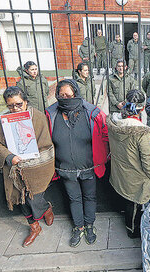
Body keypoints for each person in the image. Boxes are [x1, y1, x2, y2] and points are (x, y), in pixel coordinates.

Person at [45, 79, 109, 248]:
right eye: (61, 95)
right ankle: (78, 226)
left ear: (76, 93)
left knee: (90, 197)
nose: (65, 98)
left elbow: (104, 135)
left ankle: (89, 225)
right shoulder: (51, 114)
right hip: (66, 168)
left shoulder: (91, 113)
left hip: (88, 166)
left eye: (69, 94)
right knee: (74, 198)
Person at [0, 86, 55, 247]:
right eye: (10, 105)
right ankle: (34, 227)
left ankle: (46, 208)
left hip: (37, 168)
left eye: (18, 104)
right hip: (14, 170)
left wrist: (30, 156)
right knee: (21, 200)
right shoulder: (4, 120)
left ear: (25, 102)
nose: (14, 109)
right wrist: (9, 157)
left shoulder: (38, 117)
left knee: (34, 200)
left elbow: (47, 144)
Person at [107, 89, 150, 238]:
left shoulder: (114, 122)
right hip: (136, 176)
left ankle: (130, 225)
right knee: (135, 203)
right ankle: (132, 231)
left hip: (120, 171)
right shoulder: (141, 132)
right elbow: (148, 161)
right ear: (142, 108)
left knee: (127, 200)